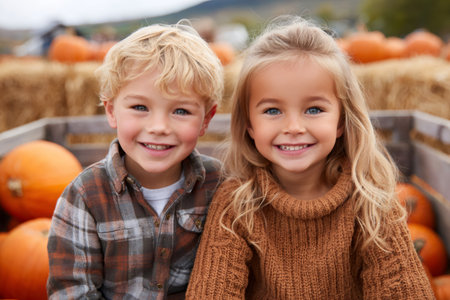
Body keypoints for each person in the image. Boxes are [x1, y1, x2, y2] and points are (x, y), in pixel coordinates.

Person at [185, 16, 435, 299]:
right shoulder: (237, 204)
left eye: (314, 110)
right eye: (272, 111)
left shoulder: (370, 203)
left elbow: (402, 291)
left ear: (341, 120)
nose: (294, 127)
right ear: (249, 125)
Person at [47, 21, 224, 299]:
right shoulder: (85, 196)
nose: (158, 126)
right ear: (111, 111)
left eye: (180, 111)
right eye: (140, 107)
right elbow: (73, 290)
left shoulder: (219, 186)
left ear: (206, 120)